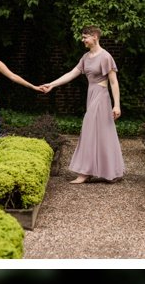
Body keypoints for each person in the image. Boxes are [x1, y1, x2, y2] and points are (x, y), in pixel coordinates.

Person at [38, 28, 124, 183]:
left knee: (89, 129)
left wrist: (117, 105)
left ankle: (86, 173)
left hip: (101, 96)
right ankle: (108, 171)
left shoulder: (106, 57)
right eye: (82, 37)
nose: (83, 40)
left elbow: (113, 82)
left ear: (95, 36)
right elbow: (71, 73)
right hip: (91, 95)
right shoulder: (86, 57)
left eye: (85, 37)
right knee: (100, 132)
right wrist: (52, 84)